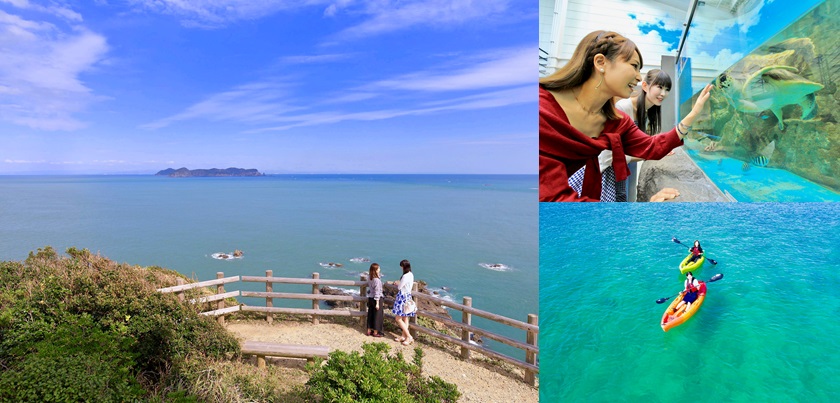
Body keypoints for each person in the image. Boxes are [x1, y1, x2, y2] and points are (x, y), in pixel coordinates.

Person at [539, 30, 712, 202]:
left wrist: (694, 113)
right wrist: (640, 214)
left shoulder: (616, 121)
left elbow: (651, 146)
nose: (638, 77)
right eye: (634, 66)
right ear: (601, 62)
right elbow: (553, 201)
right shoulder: (540, 111)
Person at [568, 69, 673, 202]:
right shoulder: (622, 107)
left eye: (667, 89)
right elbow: (609, 151)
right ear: (645, 86)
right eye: (660, 87)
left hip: (625, 167)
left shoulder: (648, 112)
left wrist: (656, 148)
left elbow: (640, 143)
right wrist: (650, 152)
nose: (663, 93)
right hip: (607, 169)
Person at [392, 259, 415, 346]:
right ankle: (403, 336)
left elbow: (399, 287)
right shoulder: (411, 274)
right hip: (408, 296)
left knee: (398, 318)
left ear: (403, 267)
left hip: (402, 297)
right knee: (405, 318)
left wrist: (397, 283)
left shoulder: (405, 276)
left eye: (401, 266)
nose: (401, 268)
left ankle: (409, 336)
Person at [365, 263, 384, 338]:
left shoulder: (369, 277)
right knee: (377, 315)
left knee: (371, 314)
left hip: (370, 298)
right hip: (377, 299)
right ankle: (376, 332)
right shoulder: (377, 280)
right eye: (379, 269)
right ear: (376, 270)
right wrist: (377, 303)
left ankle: (369, 330)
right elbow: (377, 292)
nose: (380, 270)